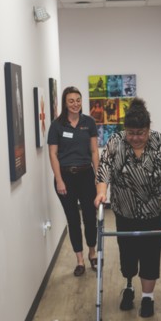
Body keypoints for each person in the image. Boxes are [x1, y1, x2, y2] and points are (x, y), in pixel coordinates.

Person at [95, 97, 161, 318]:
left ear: (148, 129)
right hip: (125, 210)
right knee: (128, 254)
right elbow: (104, 167)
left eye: (140, 133)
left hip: (154, 210)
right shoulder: (115, 142)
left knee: (151, 254)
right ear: (125, 130)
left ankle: (148, 298)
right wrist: (101, 192)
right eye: (131, 133)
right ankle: (130, 285)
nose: (136, 138)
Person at [48, 86, 99, 276]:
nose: (75, 103)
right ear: (65, 103)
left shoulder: (89, 122)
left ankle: (92, 253)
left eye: (78, 99)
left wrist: (98, 177)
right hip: (65, 177)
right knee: (73, 220)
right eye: (71, 100)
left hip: (86, 176)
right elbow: (53, 154)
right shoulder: (57, 125)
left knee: (90, 217)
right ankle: (79, 260)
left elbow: (94, 151)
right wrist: (59, 180)